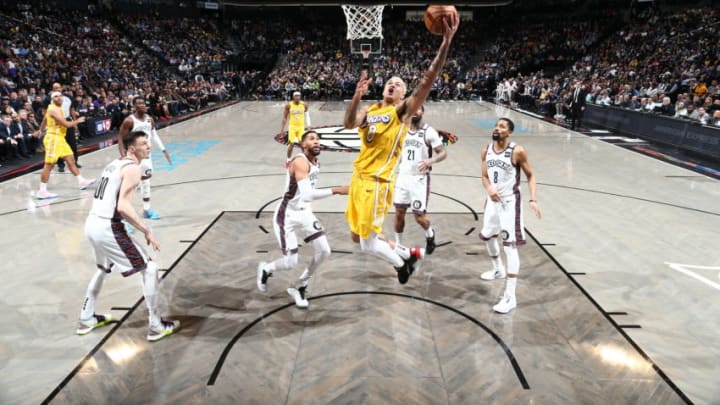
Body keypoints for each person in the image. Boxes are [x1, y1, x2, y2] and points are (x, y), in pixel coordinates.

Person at [343, 13, 459, 284]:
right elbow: (349, 124)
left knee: (368, 244)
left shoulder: (401, 112)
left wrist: (445, 44)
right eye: (389, 83)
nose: (392, 85)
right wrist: (357, 95)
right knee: (356, 237)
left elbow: (428, 80)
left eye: (399, 85)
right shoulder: (369, 110)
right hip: (358, 179)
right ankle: (410, 254)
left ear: (403, 95)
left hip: (377, 182)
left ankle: (402, 264)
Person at [78, 130, 179, 341]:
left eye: (148, 143)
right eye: (144, 144)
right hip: (108, 227)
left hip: (92, 223)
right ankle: (156, 325)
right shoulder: (133, 168)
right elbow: (123, 206)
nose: (148, 146)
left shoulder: (114, 164)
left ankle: (86, 318)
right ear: (132, 149)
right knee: (150, 268)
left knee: (103, 269)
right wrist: (146, 230)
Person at [256, 130, 348, 308]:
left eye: (318, 139)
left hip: (304, 212)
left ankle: (299, 285)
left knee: (325, 250)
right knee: (291, 262)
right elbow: (306, 194)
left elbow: (304, 197)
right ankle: (266, 269)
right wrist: (336, 190)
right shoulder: (299, 161)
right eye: (312, 139)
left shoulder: (315, 162)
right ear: (303, 144)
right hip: (287, 215)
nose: (317, 141)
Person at [479, 118, 541, 314]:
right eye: (496, 125)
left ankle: (510, 297)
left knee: (510, 247)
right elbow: (484, 175)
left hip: (509, 204)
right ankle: (498, 269)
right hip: (492, 202)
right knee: (487, 236)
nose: (497, 128)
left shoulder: (517, 151)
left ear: (510, 132)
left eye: (502, 126)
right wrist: (489, 188)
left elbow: (531, 175)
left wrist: (533, 199)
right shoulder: (486, 150)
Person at [393, 105, 447, 254]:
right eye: (413, 109)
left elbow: (443, 153)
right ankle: (398, 245)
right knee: (399, 213)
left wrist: (430, 161)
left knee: (419, 217)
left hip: (419, 179)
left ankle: (430, 234)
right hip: (403, 176)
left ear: (423, 112)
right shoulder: (401, 129)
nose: (415, 112)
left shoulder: (429, 132)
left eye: (418, 109)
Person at [118, 97, 172, 220]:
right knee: (129, 186)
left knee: (146, 182)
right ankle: (124, 216)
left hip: (146, 156)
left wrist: (164, 150)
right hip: (133, 157)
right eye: (138, 103)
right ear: (134, 106)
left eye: (143, 103)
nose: (142, 105)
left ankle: (146, 210)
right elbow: (120, 138)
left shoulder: (149, 119)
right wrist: (123, 156)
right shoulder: (129, 121)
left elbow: (154, 135)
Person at [35, 92, 95, 199]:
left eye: (60, 95)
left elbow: (44, 120)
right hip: (53, 138)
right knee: (49, 165)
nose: (59, 97)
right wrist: (78, 121)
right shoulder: (53, 109)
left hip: (60, 138)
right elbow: (66, 124)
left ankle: (81, 181)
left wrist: (40, 130)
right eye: (56, 96)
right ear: (52, 99)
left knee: (70, 159)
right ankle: (42, 191)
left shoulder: (58, 109)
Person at [281, 91, 310, 162]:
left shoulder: (304, 105)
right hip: (292, 127)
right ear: (293, 97)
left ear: (300, 97)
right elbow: (284, 117)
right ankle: (288, 160)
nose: (297, 97)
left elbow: (307, 115)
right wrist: (282, 129)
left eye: (298, 96)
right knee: (291, 143)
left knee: (302, 144)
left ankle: (306, 159)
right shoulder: (289, 105)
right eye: (296, 96)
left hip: (301, 127)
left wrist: (309, 125)